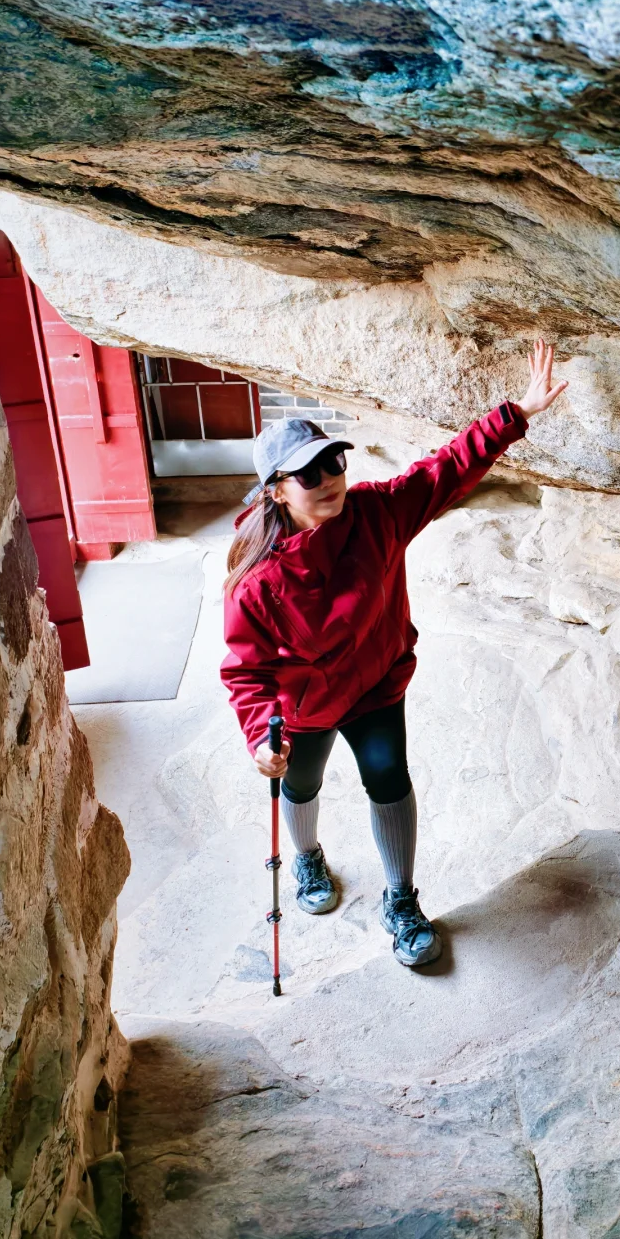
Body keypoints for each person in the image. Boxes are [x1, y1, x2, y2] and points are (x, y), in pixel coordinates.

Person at [221, 340, 568, 967]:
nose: (328, 480)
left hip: (377, 686)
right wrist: (259, 738)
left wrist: (514, 414)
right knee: (301, 784)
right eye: (309, 474)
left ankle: (402, 900)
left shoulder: (377, 513)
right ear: (276, 492)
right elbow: (246, 672)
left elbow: (444, 470)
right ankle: (307, 859)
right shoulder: (257, 583)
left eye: (333, 463)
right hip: (304, 711)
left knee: (389, 778)